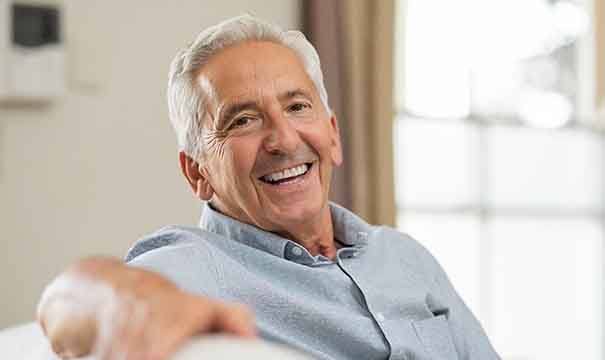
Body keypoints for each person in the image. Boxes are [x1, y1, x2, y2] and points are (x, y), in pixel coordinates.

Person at [37, 15, 500, 360]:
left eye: (297, 107)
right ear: (197, 172)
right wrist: (116, 305)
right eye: (243, 120)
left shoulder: (404, 256)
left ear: (333, 135)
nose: (283, 139)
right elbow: (67, 301)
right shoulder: (198, 266)